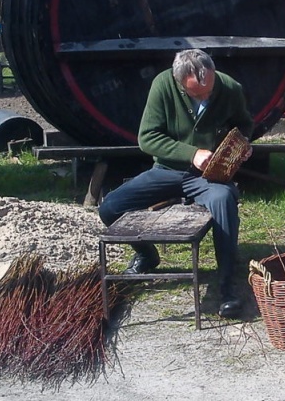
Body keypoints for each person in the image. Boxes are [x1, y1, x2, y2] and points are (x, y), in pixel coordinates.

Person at [99, 49, 254, 319]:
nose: (205, 96)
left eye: (209, 90)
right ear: (179, 82)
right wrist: (191, 154)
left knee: (223, 200)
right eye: (197, 94)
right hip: (167, 170)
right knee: (110, 207)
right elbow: (147, 138)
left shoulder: (230, 87)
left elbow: (243, 125)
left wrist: (236, 148)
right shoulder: (162, 85)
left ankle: (228, 286)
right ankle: (147, 256)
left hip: (206, 177)